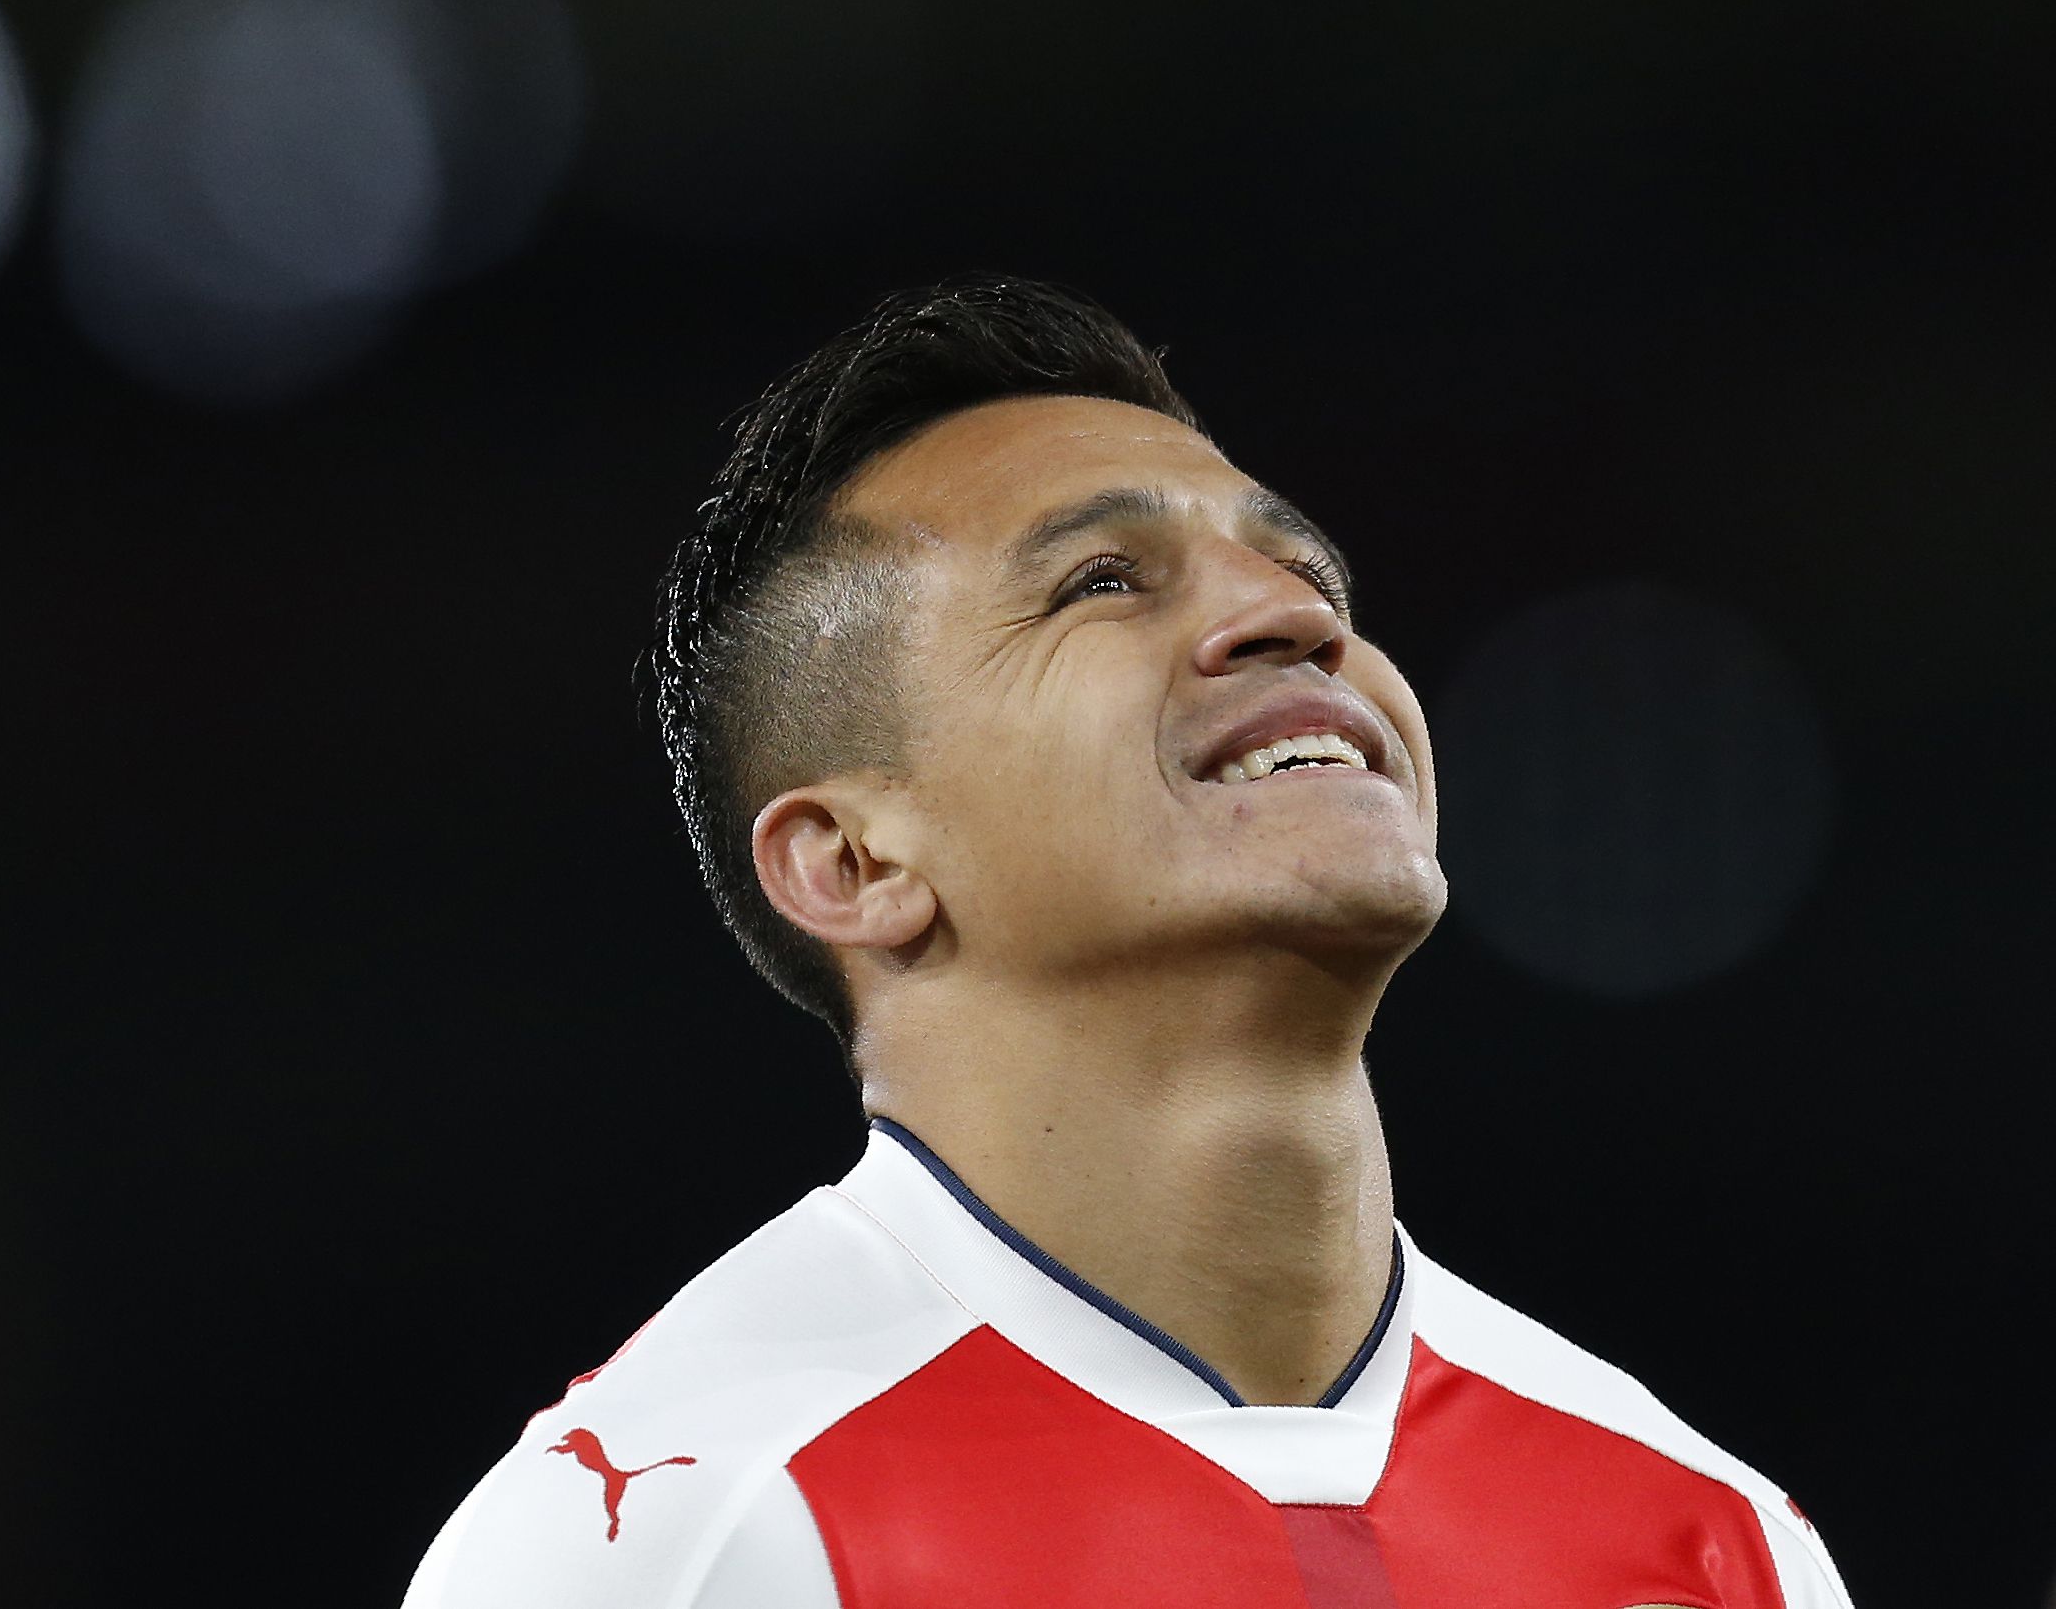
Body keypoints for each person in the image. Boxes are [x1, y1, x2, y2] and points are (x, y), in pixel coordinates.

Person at [400, 278, 1851, 1608]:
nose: (1293, 617)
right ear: (855, 862)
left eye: (1309, 574)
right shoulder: (665, 1537)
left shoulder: (1715, 1537)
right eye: (1103, 581)